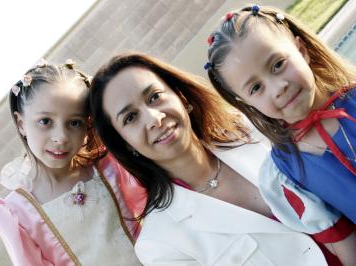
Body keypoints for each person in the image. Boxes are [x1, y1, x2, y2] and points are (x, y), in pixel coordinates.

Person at [90, 52, 354, 265]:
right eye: (130, 118)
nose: (154, 118)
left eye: (155, 97)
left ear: (180, 96)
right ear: (124, 143)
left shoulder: (260, 129)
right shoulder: (160, 245)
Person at [205, 4, 356, 265]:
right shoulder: (285, 174)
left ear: (301, 50)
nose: (278, 88)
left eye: (277, 65)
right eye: (255, 87)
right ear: (246, 102)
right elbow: (346, 244)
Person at [0, 59, 144, 265]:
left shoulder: (110, 167)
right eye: (45, 121)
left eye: (74, 123)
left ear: (87, 125)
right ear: (21, 123)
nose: (60, 137)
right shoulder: (18, 212)